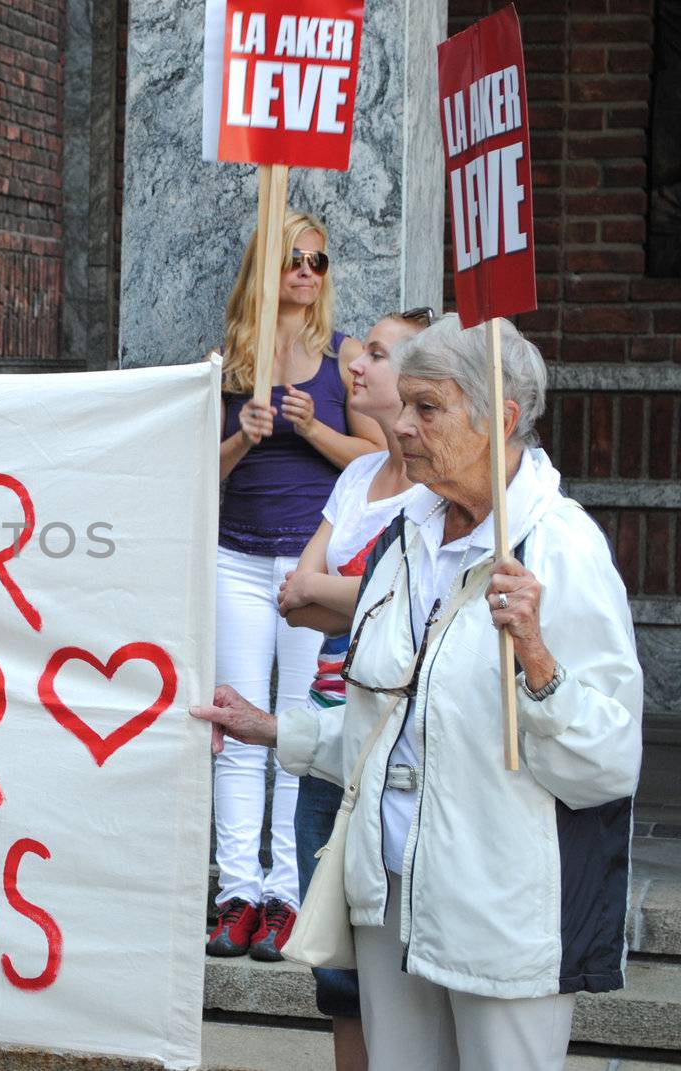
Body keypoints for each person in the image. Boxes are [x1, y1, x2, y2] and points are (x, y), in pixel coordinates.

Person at [193, 314, 643, 1071]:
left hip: (503, 911)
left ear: (498, 417)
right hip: (391, 896)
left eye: (425, 407)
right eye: (403, 403)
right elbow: (387, 732)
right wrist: (272, 729)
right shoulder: (405, 537)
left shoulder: (562, 549)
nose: (399, 424)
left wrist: (536, 659)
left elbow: (610, 760)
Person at [208, 210, 382, 961]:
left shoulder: (345, 360)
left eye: (318, 260)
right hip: (235, 556)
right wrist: (244, 434)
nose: (307, 272)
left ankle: (286, 893)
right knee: (237, 730)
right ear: (265, 267)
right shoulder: (227, 362)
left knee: (292, 726)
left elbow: (379, 463)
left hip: (309, 567)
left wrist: (313, 429)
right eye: (294, 258)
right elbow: (194, 474)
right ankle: (236, 890)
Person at [274, 307, 437, 1071]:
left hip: (385, 743)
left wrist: (335, 589)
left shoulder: (433, 494)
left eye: (377, 353)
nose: (356, 364)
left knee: (393, 963)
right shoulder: (358, 476)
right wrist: (348, 588)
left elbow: (404, 603)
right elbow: (295, 596)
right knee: (337, 974)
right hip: (323, 732)